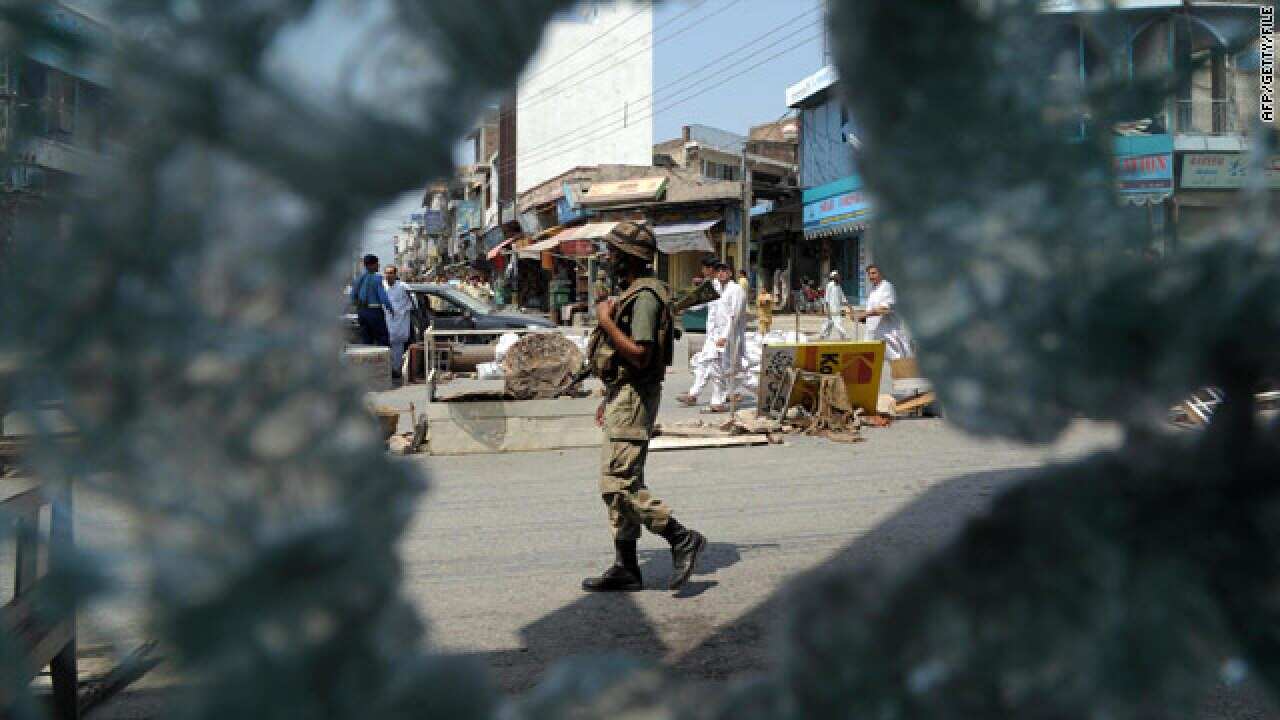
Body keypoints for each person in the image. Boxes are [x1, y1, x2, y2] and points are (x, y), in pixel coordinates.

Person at [583, 221, 706, 593]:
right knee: (624, 479)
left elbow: (639, 354)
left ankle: (680, 536)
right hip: (624, 393)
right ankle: (627, 566)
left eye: (613, 253)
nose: (607, 259)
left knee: (616, 483)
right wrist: (609, 396)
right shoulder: (633, 293)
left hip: (636, 394)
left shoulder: (645, 299)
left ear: (629, 258)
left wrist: (605, 320)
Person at [856, 264, 911, 359]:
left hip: (888, 335)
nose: (871, 276)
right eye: (869, 274)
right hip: (874, 335)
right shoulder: (873, 290)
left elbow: (885, 309)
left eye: (874, 273)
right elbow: (873, 312)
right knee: (868, 363)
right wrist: (862, 317)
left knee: (899, 365)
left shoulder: (887, 287)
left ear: (881, 274)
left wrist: (864, 314)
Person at [351, 254, 393, 346]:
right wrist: (390, 308)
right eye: (377, 264)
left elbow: (352, 296)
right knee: (383, 338)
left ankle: (367, 359)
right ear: (371, 265)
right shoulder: (377, 278)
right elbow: (383, 297)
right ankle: (382, 360)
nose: (378, 266)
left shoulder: (358, 278)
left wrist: (359, 308)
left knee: (366, 340)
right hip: (375, 312)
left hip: (362, 312)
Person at [382, 264, 413, 380]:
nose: (388, 275)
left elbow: (412, 303)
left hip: (400, 323)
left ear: (395, 274)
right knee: (385, 348)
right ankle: (387, 371)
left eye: (391, 273)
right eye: (387, 273)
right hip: (386, 322)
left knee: (398, 348)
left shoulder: (403, 287)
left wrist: (401, 310)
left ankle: (396, 370)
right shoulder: (381, 286)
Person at [819, 270, 851, 340]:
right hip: (830, 308)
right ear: (833, 278)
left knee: (830, 323)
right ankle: (844, 335)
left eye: (839, 276)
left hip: (837, 308)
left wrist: (849, 306)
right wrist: (827, 310)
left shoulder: (839, 286)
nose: (838, 278)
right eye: (837, 276)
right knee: (837, 323)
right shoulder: (830, 285)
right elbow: (826, 298)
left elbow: (843, 297)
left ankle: (823, 335)